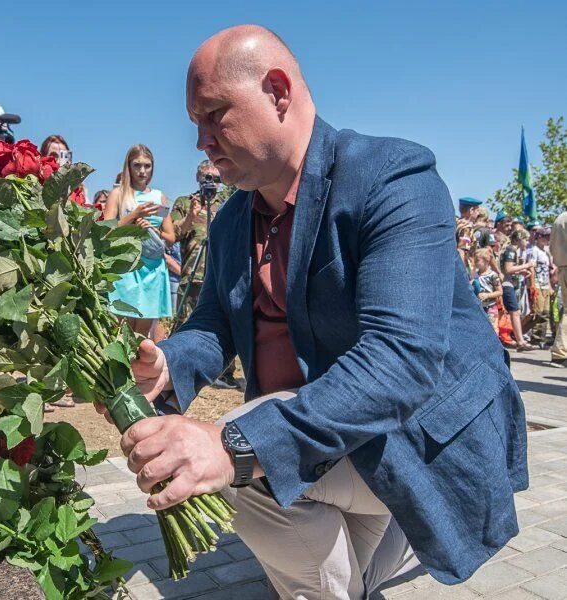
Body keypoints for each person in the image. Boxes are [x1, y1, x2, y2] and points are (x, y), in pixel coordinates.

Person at [106, 26, 527, 599]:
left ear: (278, 90)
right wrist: (167, 363)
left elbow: (400, 361)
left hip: (408, 438)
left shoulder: (392, 177)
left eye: (214, 115)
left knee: (221, 456)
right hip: (323, 442)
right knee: (259, 483)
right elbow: (213, 326)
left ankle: (397, 522)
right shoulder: (233, 220)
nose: (201, 141)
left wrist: (232, 446)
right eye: (195, 124)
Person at [103, 145, 175, 338]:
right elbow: (105, 232)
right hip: (126, 266)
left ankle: (137, 369)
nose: (142, 171)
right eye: (137, 165)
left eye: (147, 166)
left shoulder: (159, 196)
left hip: (152, 269)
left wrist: (151, 229)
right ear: (129, 166)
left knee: (142, 335)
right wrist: (133, 217)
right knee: (120, 331)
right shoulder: (118, 194)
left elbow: (170, 238)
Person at [171, 160, 229, 321]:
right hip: (191, 276)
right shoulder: (185, 202)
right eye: (207, 177)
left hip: (218, 277)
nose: (212, 183)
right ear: (198, 177)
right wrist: (190, 216)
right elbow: (172, 235)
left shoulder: (227, 205)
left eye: (217, 179)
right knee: (185, 324)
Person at [500, 229, 534, 350]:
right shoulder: (511, 250)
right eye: (526, 239)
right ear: (519, 239)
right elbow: (508, 269)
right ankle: (520, 341)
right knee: (514, 312)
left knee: (515, 312)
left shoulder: (510, 249)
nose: (527, 242)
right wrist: (527, 265)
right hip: (506, 283)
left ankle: (519, 339)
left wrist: (520, 271)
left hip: (507, 282)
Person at [527, 226, 554, 346]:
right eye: (546, 236)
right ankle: (535, 337)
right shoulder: (534, 250)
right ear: (539, 237)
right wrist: (532, 285)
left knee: (546, 312)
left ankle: (541, 338)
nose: (549, 239)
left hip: (545, 285)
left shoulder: (546, 252)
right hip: (537, 283)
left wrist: (549, 286)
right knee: (537, 312)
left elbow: (548, 271)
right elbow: (531, 268)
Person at [40, 134, 87, 205]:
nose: (59, 161)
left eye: (63, 156)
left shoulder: (76, 190)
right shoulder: (35, 185)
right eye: (53, 156)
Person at [550, 211, 567, 367]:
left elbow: (552, 247)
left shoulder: (559, 219)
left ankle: (560, 352)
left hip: (562, 267)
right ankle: (560, 352)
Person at [472, 248, 503, 332]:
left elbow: (500, 291)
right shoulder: (475, 274)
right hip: (480, 307)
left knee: (492, 329)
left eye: (477, 260)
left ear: (486, 261)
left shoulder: (493, 275)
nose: (475, 263)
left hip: (491, 307)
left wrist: (487, 295)